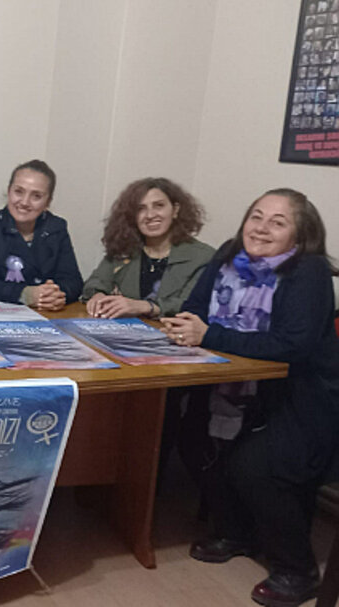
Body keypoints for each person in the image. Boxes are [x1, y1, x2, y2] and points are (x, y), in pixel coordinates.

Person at [162, 189, 339, 606]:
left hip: (302, 396)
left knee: (254, 465)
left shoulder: (309, 271)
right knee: (195, 441)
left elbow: (292, 345)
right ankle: (236, 532)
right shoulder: (228, 254)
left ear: (301, 234)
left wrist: (210, 335)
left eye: (278, 222)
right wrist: (185, 326)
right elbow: (195, 306)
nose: (261, 228)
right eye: (256, 216)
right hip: (234, 383)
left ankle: (297, 569)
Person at [83, 177, 214, 318]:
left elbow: (193, 305)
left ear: (175, 210)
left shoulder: (202, 257)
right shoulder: (124, 248)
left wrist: (146, 307)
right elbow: (95, 282)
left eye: (159, 206)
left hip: (170, 329)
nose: (150, 215)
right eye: (141, 209)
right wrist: (98, 295)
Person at [0, 159, 82, 310]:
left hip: (47, 313)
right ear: (9, 191)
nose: (25, 202)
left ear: (48, 202)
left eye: (36, 196)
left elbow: (73, 281)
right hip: (2, 313)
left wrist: (56, 295)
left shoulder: (56, 227)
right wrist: (24, 294)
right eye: (19, 192)